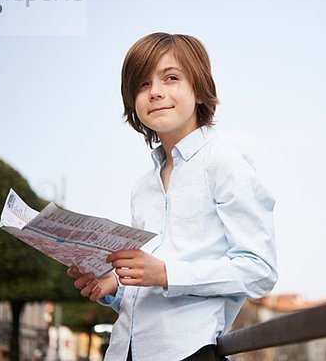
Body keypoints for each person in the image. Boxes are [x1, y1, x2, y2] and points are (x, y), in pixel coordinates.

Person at [68, 32, 278, 360]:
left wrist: (165, 273)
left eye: (171, 78)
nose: (155, 92)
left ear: (199, 90)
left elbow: (259, 269)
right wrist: (112, 287)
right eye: (142, 84)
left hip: (190, 351)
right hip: (125, 351)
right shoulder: (142, 188)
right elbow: (148, 288)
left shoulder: (224, 163)